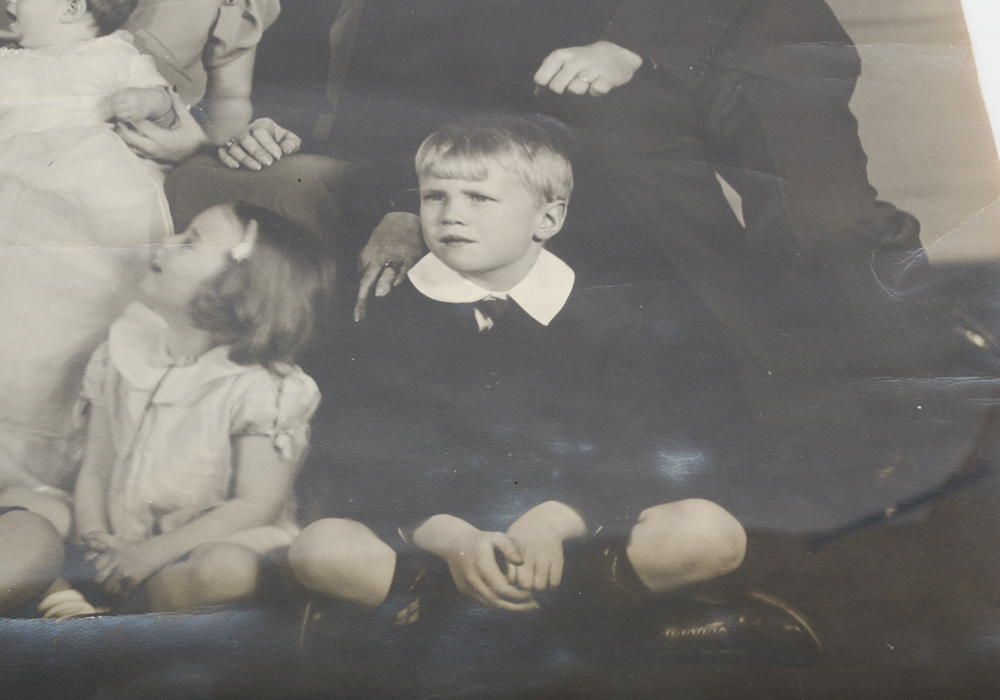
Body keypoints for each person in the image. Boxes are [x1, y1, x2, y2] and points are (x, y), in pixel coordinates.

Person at [289, 118, 819, 661]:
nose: (451, 214)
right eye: (434, 197)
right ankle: (467, 612)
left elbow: (638, 446)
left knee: (710, 532)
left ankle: (563, 613)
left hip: (575, 539)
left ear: (548, 217)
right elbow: (371, 454)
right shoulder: (389, 317)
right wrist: (451, 538)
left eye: (478, 197)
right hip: (446, 543)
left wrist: (553, 523)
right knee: (320, 549)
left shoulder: (605, 315)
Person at [0, 203, 335, 616]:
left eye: (189, 242)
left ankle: (117, 616)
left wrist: (149, 555)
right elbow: (97, 467)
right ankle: (71, 599)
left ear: (236, 286)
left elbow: (255, 506)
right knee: (24, 505)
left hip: (196, 541)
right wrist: (94, 535)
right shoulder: (123, 352)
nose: (166, 241)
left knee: (223, 569)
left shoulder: (264, 388)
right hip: (117, 528)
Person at [0, 0, 175, 518]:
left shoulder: (113, 54)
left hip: (86, 203)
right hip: (14, 204)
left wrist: (146, 100)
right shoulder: (8, 61)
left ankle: (45, 467)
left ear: (74, 7)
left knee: (71, 320)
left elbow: (164, 102)